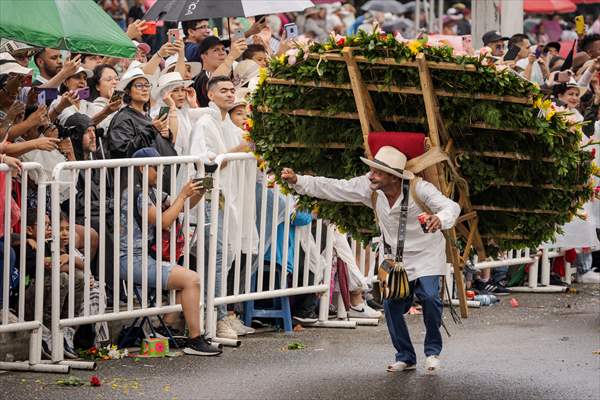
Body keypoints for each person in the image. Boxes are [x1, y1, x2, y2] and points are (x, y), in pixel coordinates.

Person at [280, 145, 461, 372]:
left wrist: (439, 218)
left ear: (394, 177)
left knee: (431, 297)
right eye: (371, 170)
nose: (370, 175)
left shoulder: (420, 189)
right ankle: (405, 356)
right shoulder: (370, 189)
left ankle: (432, 352)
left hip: (427, 254)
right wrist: (299, 181)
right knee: (392, 305)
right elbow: (335, 187)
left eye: (377, 172)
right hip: (394, 259)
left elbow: (451, 206)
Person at [119, 147, 222, 356]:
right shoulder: (134, 194)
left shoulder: (151, 191)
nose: (162, 172)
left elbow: (181, 207)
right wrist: (183, 194)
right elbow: (164, 221)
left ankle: (166, 329)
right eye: (157, 168)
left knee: (187, 278)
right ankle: (195, 339)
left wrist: (199, 190)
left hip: (147, 256)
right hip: (131, 259)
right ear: (142, 167)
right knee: (191, 279)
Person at [192, 36, 248, 107]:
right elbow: (213, 83)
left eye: (223, 49)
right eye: (215, 50)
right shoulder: (203, 76)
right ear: (203, 56)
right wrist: (231, 56)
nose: (222, 53)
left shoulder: (229, 74)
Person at [86, 64, 123, 137]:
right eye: (109, 79)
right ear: (97, 86)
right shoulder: (94, 107)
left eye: (117, 79)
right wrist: (113, 101)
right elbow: (109, 131)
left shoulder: (125, 104)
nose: (115, 82)